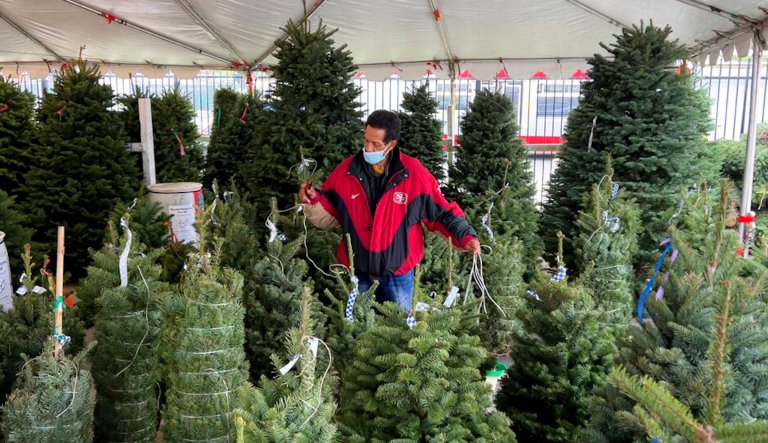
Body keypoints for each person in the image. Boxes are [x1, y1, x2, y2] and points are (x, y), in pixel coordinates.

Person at [299, 110, 480, 312]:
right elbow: (331, 210)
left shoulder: (414, 174)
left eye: (376, 144)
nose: (368, 148)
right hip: (359, 272)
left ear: (391, 144)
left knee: (402, 331)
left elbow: (440, 212)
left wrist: (465, 236)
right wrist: (313, 199)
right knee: (361, 329)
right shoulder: (346, 171)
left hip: (399, 274)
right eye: (366, 140)